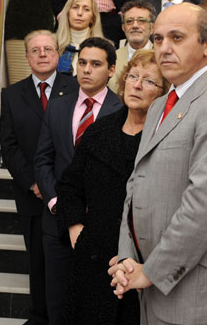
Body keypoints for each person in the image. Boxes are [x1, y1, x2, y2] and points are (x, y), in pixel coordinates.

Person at [108, 3, 207, 324]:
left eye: (176, 38)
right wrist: (128, 259)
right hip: (147, 286)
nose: (164, 48)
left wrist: (151, 271)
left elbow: (206, 205)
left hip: (189, 295)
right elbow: (135, 186)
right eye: (158, 39)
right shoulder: (159, 105)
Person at [57, 49, 168, 325]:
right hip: (92, 257)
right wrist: (75, 229)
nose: (137, 85)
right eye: (133, 76)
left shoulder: (166, 142)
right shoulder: (99, 131)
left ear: (165, 93)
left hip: (137, 264)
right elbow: (70, 185)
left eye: (149, 81)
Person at [35, 37, 123, 324]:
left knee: (95, 307)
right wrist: (56, 203)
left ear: (111, 70)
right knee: (57, 303)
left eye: (95, 64)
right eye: (82, 63)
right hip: (57, 223)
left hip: (102, 228)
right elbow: (43, 160)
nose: (86, 69)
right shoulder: (58, 106)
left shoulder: (123, 110)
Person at [0, 30, 78, 325]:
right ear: (27, 57)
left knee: (73, 264)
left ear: (58, 54)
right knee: (38, 263)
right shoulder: (11, 95)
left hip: (72, 194)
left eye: (48, 49)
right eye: (35, 50)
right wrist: (34, 183)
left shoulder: (76, 88)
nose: (42, 54)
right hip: (33, 197)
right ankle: (40, 317)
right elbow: (9, 146)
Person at [108, 0, 156, 90]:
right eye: (129, 21)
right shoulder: (112, 58)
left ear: (152, 28)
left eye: (141, 21)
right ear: (123, 28)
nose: (135, 26)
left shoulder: (160, 58)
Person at [55, 0, 104, 76]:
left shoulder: (104, 49)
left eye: (86, 9)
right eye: (75, 7)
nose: (80, 13)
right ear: (67, 14)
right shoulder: (52, 47)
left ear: (93, 18)